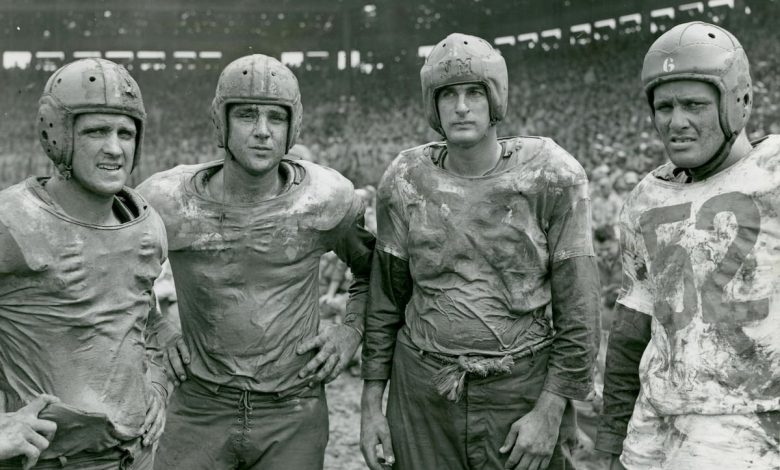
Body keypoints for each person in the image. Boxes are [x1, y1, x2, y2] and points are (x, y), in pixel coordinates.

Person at [360, 33, 600, 470]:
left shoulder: (550, 175)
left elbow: (579, 308)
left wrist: (550, 410)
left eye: (474, 93)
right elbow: (385, 303)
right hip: (423, 392)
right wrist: (371, 405)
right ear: (433, 104)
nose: (461, 107)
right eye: (447, 95)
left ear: (495, 99)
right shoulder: (405, 179)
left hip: (519, 388)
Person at [137, 54, 374, 470]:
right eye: (247, 115)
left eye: (276, 117)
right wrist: (157, 328)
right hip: (197, 406)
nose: (263, 131)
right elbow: (121, 277)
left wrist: (351, 330)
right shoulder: (166, 201)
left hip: (292, 409)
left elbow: (374, 273)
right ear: (221, 121)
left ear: (292, 126)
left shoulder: (325, 199)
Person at [596, 22, 780, 469]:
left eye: (694, 104)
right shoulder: (647, 196)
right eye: (665, 106)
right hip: (653, 432)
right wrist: (609, 443)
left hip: (749, 429)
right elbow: (632, 329)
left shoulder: (774, 173)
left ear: (737, 102)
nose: (676, 121)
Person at [0, 58, 173, 469]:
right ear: (58, 135)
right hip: (46, 461)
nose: (114, 148)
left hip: (134, 457)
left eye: (125, 133)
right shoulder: (12, 221)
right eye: (96, 131)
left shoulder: (146, 224)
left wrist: (157, 385)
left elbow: (148, 321)